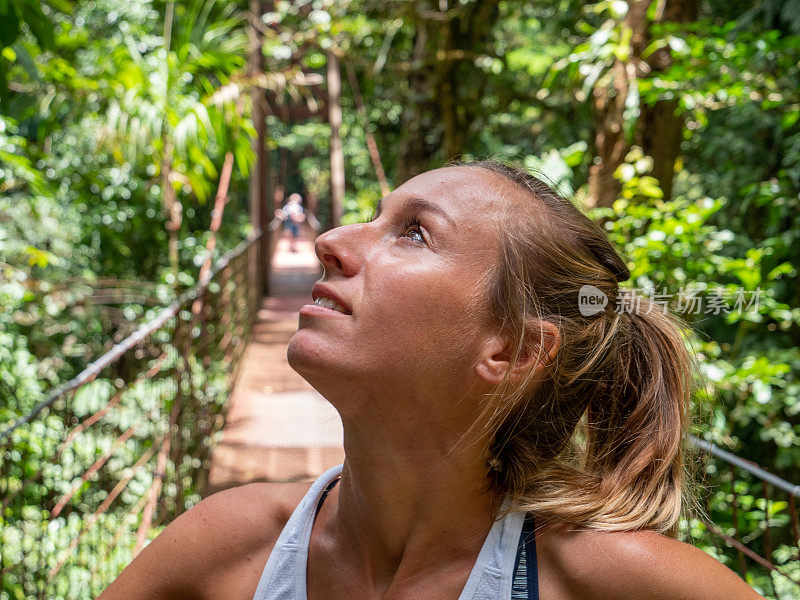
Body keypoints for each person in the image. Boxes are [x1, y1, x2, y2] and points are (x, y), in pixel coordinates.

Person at [98, 160, 765, 600]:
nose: (329, 239)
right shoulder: (228, 544)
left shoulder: (620, 582)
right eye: (377, 215)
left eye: (414, 234)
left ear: (511, 350)